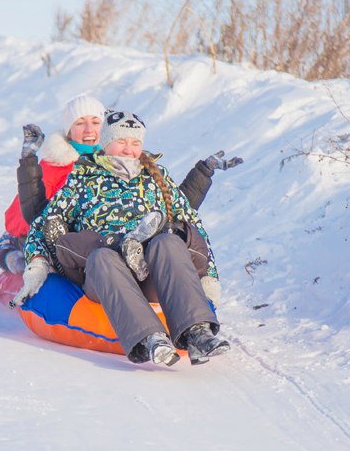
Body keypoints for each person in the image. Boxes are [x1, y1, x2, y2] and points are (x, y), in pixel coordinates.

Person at [14, 111, 231, 367]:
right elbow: (42, 223)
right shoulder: (83, 179)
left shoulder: (156, 177)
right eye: (121, 142)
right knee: (103, 256)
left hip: (151, 273)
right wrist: (36, 267)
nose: (129, 149)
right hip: (104, 275)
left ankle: (197, 333)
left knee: (169, 241)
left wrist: (209, 279)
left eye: (135, 143)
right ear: (106, 143)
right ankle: (150, 337)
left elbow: (194, 224)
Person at [0, 94, 241, 277]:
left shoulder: (130, 161)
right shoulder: (59, 166)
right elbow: (31, 215)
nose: (89, 130)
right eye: (80, 123)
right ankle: (12, 257)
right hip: (74, 244)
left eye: (96, 122)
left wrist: (203, 173)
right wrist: (29, 163)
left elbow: (169, 203)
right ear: (69, 130)